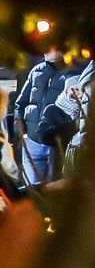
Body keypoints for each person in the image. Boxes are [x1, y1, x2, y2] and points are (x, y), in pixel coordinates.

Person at [10, 47, 68, 185]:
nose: (49, 51)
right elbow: (20, 103)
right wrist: (21, 134)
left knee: (54, 188)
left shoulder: (70, 74)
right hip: (32, 142)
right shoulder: (37, 70)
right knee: (33, 189)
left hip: (56, 144)